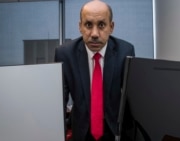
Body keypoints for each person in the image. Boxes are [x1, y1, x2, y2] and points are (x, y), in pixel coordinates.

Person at [55, 0, 135, 141]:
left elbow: (132, 101)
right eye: (88, 25)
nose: (94, 33)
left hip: (113, 130)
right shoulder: (65, 54)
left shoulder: (125, 51)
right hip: (81, 130)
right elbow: (58, 102)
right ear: (80, 27)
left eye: (102, 25)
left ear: (111, 27)